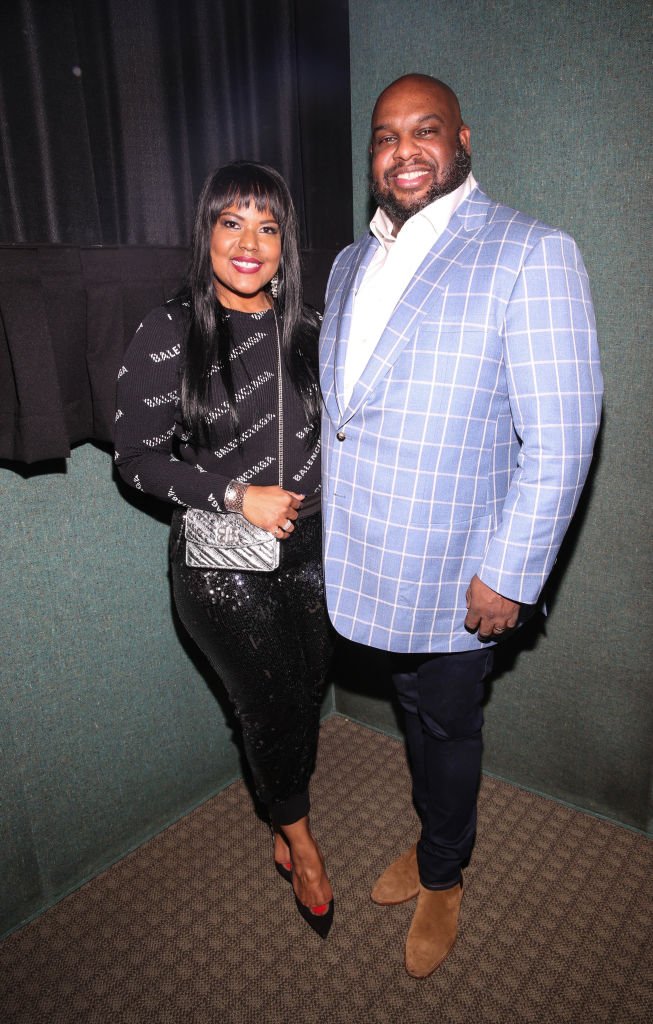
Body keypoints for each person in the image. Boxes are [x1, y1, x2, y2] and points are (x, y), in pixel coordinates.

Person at [319, 75, 602, 975]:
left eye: (423, 131)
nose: (402, 151)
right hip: (367, 553)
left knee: (445, 724)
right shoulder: (345, 262)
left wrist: (512, 573)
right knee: (411, 711)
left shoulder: (531, 251)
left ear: (462, 140)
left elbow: (561, 435)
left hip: (457, 567)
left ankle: (445, 870)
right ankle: (438, 836)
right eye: (384, 137)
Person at [114, 161, 334, 937]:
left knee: (306, 691)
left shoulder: (309, 327)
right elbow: (134, 459)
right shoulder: (169, 329)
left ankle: (280, 806)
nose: (249, 242)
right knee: (268, 704)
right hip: (219, 565)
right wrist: (238, 496)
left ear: (285, 244)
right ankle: (300, 845)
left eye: (267, 227)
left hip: (312, 552)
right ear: (206, 233)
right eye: (231, 222)